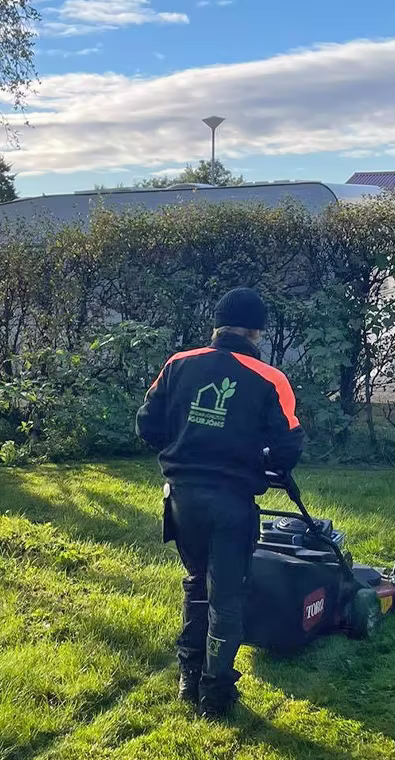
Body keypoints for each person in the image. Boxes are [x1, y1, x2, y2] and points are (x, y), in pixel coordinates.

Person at [136, 287, 304, 717]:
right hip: (232, 501)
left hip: (182, 499)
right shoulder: (270, 379)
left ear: (216, 325)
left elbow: (147, 425)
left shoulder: (178, 365)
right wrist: (261, 460)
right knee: (227, 594)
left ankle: (187, 677)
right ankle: (216, 692)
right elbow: (288, 447)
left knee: (196, 582)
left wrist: (185, 445)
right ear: (256, 332)